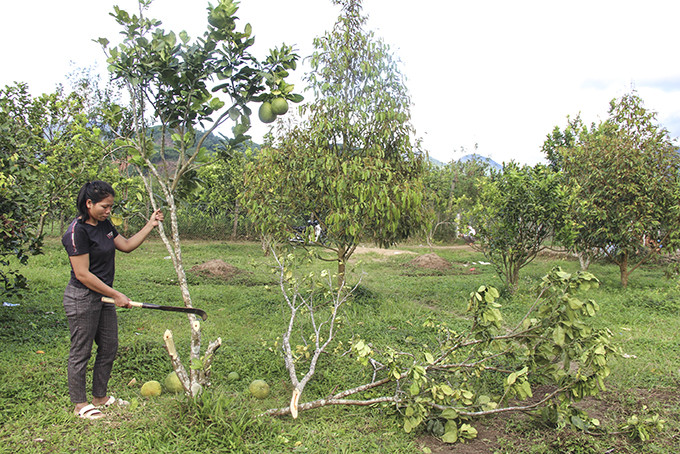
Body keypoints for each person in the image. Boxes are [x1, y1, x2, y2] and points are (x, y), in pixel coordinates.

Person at [62, 180, 164, 420]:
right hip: (82, 297)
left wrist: (151, 224)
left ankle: (100, 397)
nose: (109, 211)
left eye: (111, 206)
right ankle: (80, 404)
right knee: (81, 351)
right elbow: (82, 274)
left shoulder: (104, 224)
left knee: (109, 347)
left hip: (104, 297)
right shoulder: (77, 232)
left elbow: (126, 246)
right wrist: (116, 294)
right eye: (105, 206)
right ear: (89, 203)